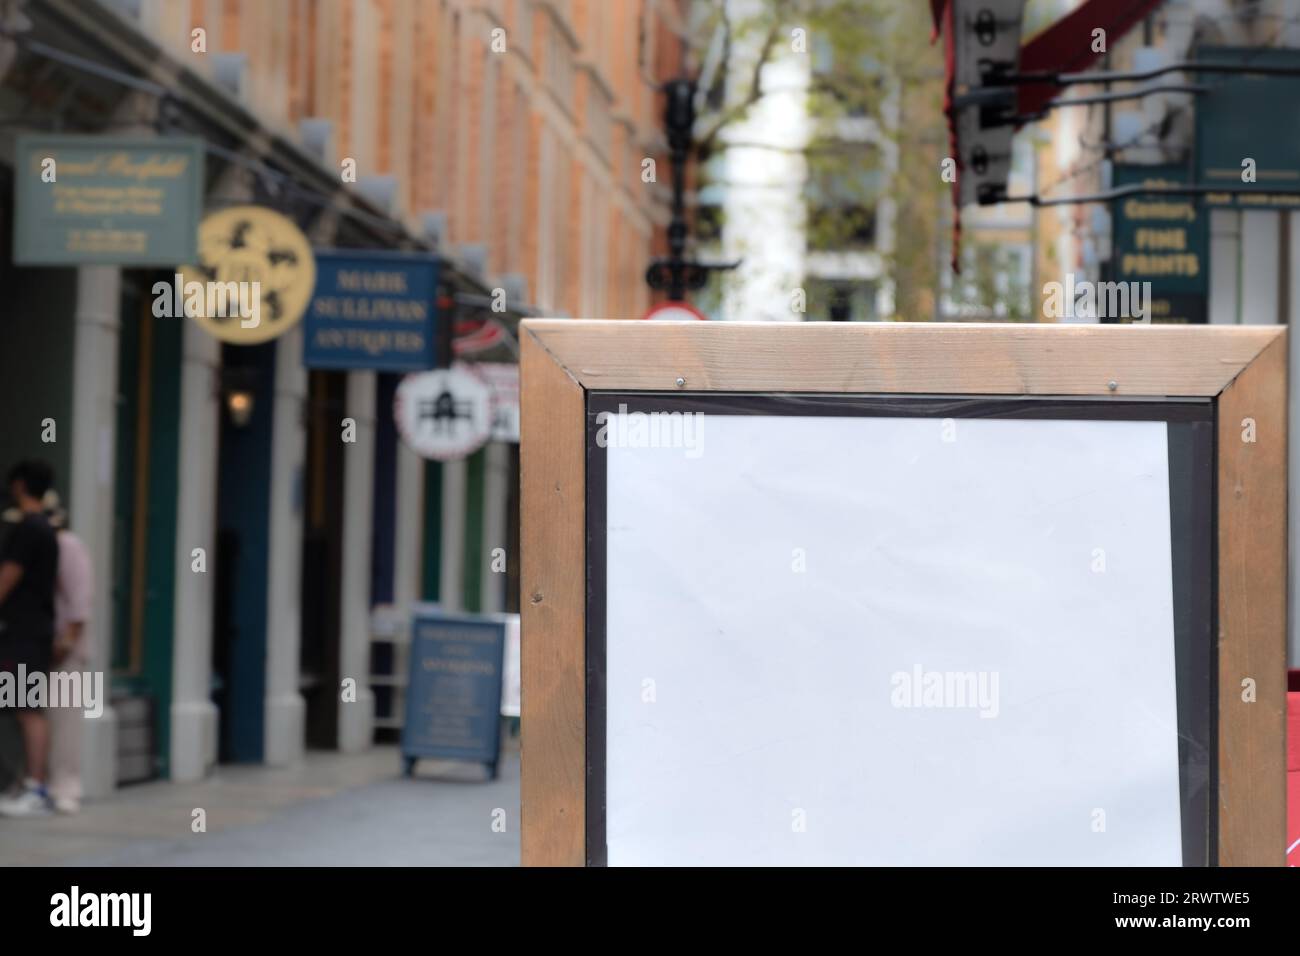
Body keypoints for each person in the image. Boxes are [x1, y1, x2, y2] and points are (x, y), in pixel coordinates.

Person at [0, 460, 60, 816]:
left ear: (19, 485)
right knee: (25, 707)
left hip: (24, 633)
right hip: (31, 632)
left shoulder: (29, 529)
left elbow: (7, 579)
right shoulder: (45, 528)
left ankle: (36, 788)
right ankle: (30, 785)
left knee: (27, 709)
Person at [45, 496, 92, 814]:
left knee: (65, 722)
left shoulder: (69, 546)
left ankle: (66, 787)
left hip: (66, 650)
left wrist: (67, 641)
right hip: (42, 646)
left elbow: (79, 599)